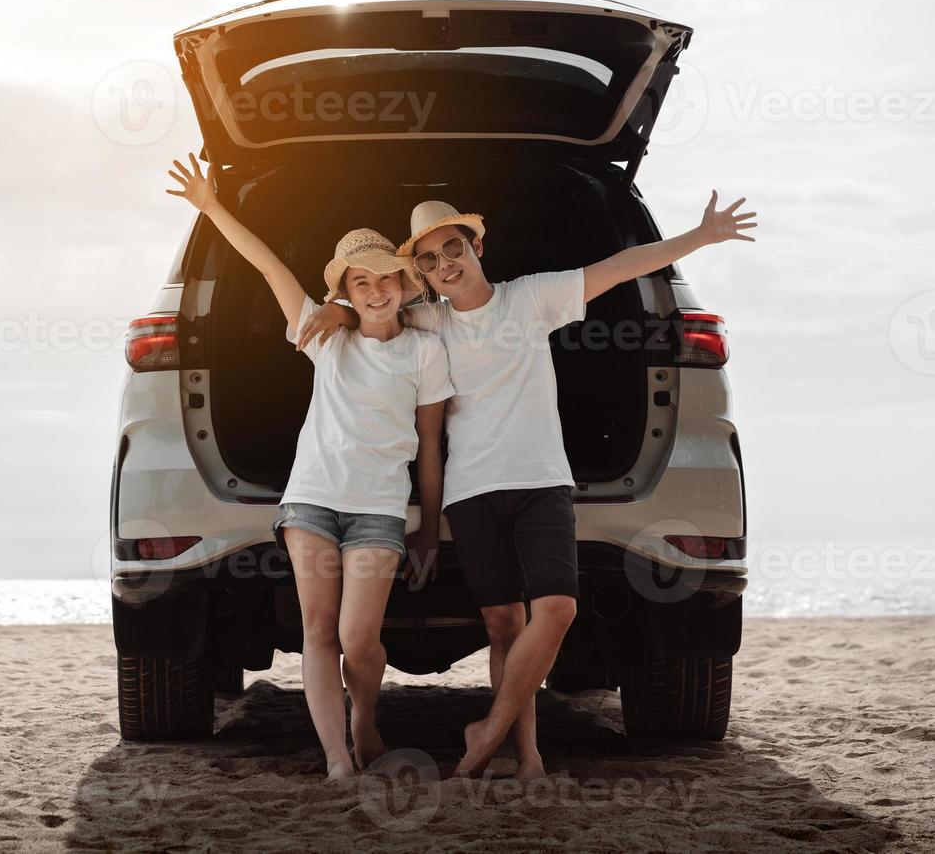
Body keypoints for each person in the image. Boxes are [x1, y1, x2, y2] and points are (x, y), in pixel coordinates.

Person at [297, 192, 758, 779]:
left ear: (477, 246)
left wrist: (700, 236)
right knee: (503, 626)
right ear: (424, 273)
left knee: (559, 610)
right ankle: (527, 754)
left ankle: (491, 730)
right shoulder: (427, 320)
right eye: (432, 260)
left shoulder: (531, 298)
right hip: (471, 490)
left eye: (453, 249)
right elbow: (369, 313)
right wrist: (335, 312)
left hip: (542, 481)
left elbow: (620, 268)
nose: (446, 264)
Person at [165, 153, 454, 781]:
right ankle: (335, 761)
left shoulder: (425, 351)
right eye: (358, 285)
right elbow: (268, 264)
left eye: (384, 281)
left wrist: (429, 527)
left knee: (358, 639)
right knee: (318, 630)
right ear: (343, 292)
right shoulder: (325, 337)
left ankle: (363, 722)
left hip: (379, 509)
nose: (375, 293)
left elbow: (430, 445)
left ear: (403, 285)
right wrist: (213, 206)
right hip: (311, 503)